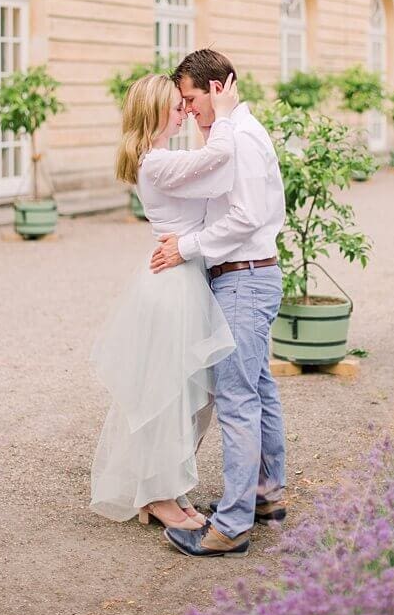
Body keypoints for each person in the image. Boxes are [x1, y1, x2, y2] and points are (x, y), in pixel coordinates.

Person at [150, 48, 288, 559]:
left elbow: (248, 217)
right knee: (258, 389)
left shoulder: (243, 138)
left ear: (217, 88)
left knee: (236, 399)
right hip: (249, 277)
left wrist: (185, 247)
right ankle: (264, 496)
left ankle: (230, 525)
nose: (188, 110)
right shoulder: (233, 135)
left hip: (244, 280)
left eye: (191, 99)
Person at [90, 72, 241, 530]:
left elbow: (210, 170)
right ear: (155, 111)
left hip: (182, 278)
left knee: (191, 393)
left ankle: (169, 487)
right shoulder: (155, 162)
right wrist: (227, 115)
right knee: (172, 394)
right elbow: (219, 159)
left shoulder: (162, 158)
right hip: (173, 285)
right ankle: (157, 494)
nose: (185, 111)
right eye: (178, 106)